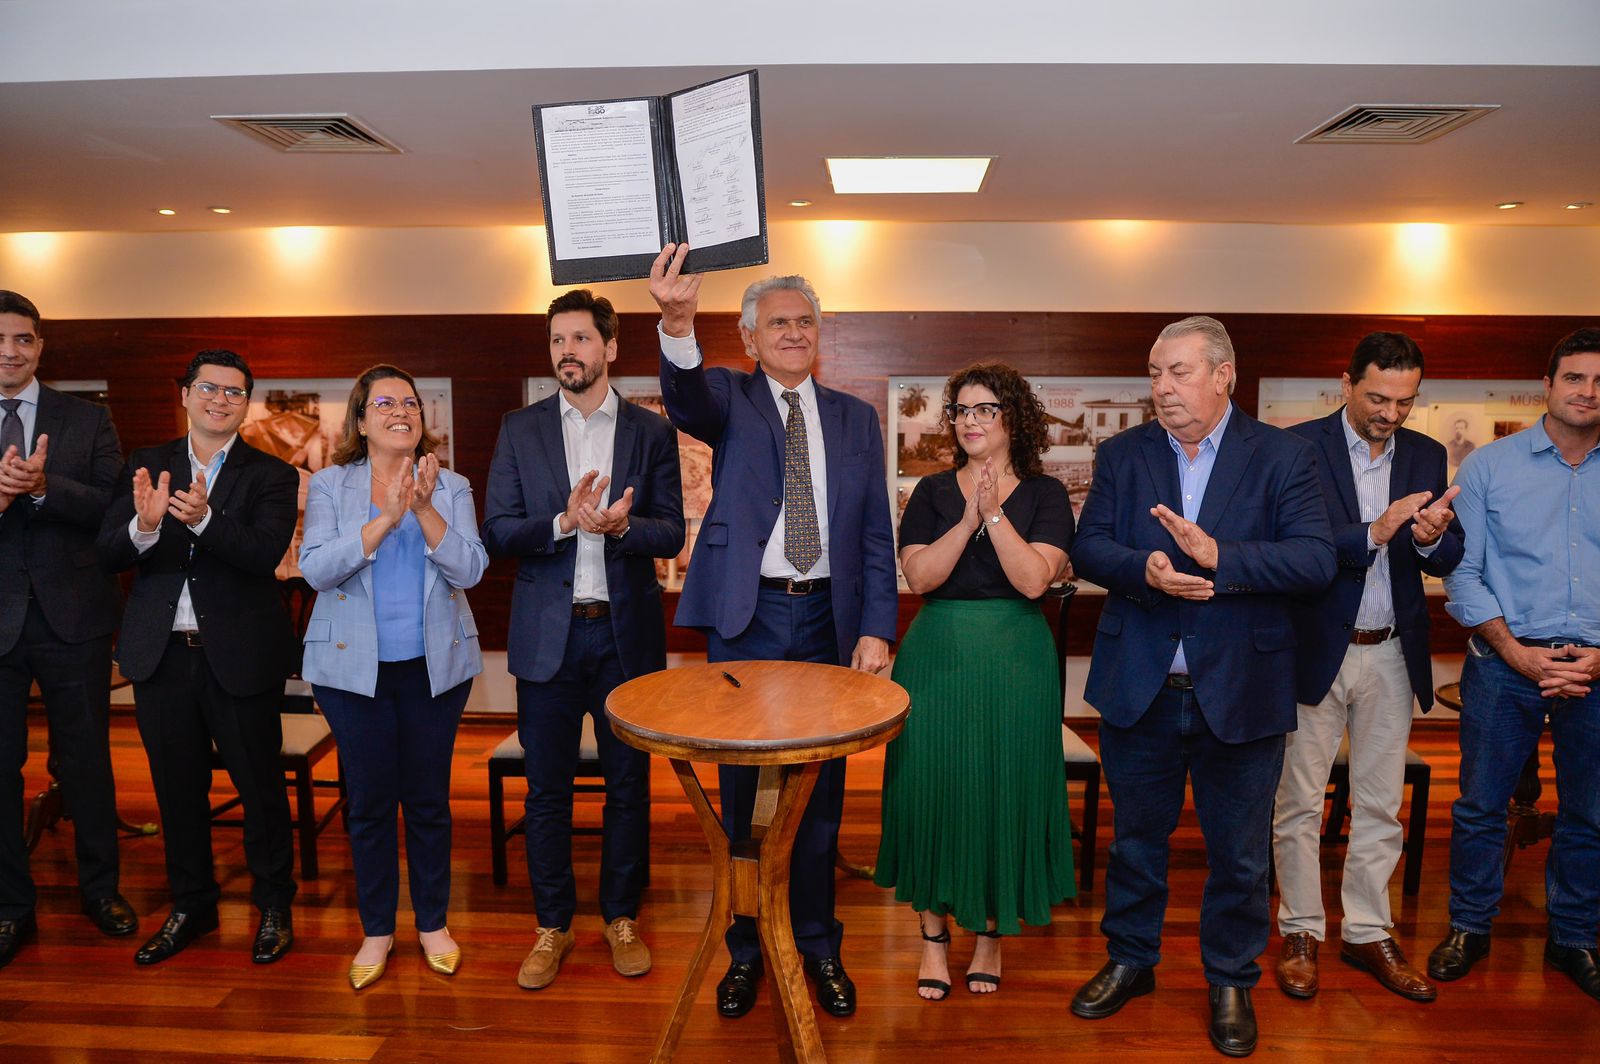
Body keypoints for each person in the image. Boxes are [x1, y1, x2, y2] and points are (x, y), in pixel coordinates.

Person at [1068, 315, 1335, 1057]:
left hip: (1244, 688)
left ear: (1224, 375)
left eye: (1177, 371)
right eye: (1155, 372)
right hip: (1141, 685)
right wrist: (1144, 570)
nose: (1162, 386)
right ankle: (1131, 960)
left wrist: (1223, 556)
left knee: (1241, 856)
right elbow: (1090, 547)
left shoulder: (1283, 456)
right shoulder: (1124, 453)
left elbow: (1316, 560)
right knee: (1135, 843)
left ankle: (1230, 980)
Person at [649, 245, 898, 1020]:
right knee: (743, 794)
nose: (794, 332)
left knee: (819, 797)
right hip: (749, 617)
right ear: (750, 338)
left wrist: (877, 628)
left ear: (819, 334)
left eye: (805, 321)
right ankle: (747, 950)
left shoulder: (855, 419)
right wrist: (677, 322)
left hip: (829, 619)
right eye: (778, 323)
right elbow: (686, 400)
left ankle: (818, 945)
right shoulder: (730, 398)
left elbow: (874, 535)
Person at [482, 289, 684, 990]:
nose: (566, 351)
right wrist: (564, 524)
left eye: (579, 338)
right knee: (547, 791)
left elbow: (672, 530)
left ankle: (621, 917)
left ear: (610, 347)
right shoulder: (520, 429)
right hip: (549, 638)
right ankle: (553, 925)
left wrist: (625, 526)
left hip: (626, 638)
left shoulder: (650, 432)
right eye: (557, 340)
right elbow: (497, 530)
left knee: (630, 786)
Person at [873, 361, 1075, 1002]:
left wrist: (995, 515)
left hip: (1017, 662)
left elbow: (1033, 581)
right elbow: (921, 578)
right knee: (931, 788)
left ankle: (991, 933)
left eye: (985, 409)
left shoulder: (1045, 495)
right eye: (961, 410)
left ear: (1013, 418)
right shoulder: (931, 492)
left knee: (1002, 791)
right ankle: (933, 937)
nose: (970, 421)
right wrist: (966, 519)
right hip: (937, 657)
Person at [1273, 332, 1462, 1003]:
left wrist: (1433, 540)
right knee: (1298, 802)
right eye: (1378, 397)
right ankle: (1301, 931)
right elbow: (1290, 550)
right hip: (1314, 647)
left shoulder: (1426, 453)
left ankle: (1366, 930)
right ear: (1346, 382)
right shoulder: (1297, 448)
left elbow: (1450, 552)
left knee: (1382, 803)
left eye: (1405, 401)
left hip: (1391, 649)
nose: (1391, 413)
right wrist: (1374, 533)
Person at [97, 349, 299, 966]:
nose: (221, 400)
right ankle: (192, 905)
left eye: (235, 392)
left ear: (246, 405)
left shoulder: (271, 474)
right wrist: (144, 527)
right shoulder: (147, 463)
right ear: (185, 394)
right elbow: (107, 552)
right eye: (209, 388)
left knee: (259, 789)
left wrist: (207, 520)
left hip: (239, 656)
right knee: (176, 790)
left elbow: (264, 553)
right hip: (161, 657)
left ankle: (273, 904)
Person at [299, 364, 486, 990]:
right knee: (370, 802)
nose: (400, 411)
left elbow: (471, 569)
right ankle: (376, 929)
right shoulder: (331, 485)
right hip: (351, 673)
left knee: (428, 800)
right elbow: (317, 568)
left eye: (409, 402)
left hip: (435, 669)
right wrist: (386, 517)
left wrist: (425, 510)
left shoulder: (451, 485)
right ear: (360, 419)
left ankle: (432, 923)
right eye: (384, 403)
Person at [1430, 326, 1600, 1003]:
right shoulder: (1488, 468)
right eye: (1575, 378)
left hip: (1596, 668)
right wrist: (1516, 653)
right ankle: (1469, 927)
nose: (1588, 392)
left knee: (1591, 812)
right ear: (1548, 385)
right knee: (1480, 806)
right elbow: (1462, 573)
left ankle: (1574, 936)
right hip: (1504, 663)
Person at [0, 290, 132, 967]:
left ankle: (101, 890)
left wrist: (44, 486)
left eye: (23, 339)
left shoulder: (86, 418)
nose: (10, 352)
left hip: (74, 617)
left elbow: (115, 505)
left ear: (40, 346)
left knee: (86, 761)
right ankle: (10, 906)